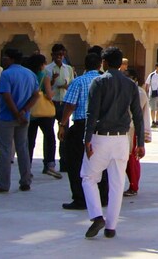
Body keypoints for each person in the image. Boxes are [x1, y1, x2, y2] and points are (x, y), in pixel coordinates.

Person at [81, 47, 144, 239]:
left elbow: (92, 113)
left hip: (101, 136)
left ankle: (96, 215)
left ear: (104, 63)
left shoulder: (99, 81)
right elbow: (138, 116)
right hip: (121, 139)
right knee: (117, 183)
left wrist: (87, 138)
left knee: (89, 177)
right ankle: (111, 227)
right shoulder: (130, 84)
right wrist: (140, 142)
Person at [59, 52, 107, 211]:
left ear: (85, 65)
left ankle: (80, 198)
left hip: (82, 125)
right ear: (100, 64)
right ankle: (103, 196)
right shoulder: (106, 81)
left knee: (76, 163)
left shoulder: (78, 82)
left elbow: (70, 105)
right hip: (102, 127)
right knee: (102, 162)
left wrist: (62, 124)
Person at [0, 48, 39, 194]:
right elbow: (36, 95)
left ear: (10, 59)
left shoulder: (7, 74)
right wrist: (24, 111)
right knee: (22, 149)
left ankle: (4, 183)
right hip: (24, 117)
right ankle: (25, 181)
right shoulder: (30, 74)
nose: (3, 60)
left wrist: (16, 113)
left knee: (5, 151)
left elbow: (7, 96)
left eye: (5, 58)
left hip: (7, 117)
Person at [25, 53, 61, 179]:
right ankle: (49, 165)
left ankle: (26, 168)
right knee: (49, 138)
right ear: (41, 64)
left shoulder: (27, 75)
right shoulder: (44, 75)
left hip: (30, 110)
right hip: (44, 112)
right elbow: (49, 95)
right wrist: (54, 90)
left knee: (29, 140)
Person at [123, 67, 151, 197]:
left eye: (127, 76)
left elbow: (136, 114)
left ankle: (133, 185)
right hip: (125, 129)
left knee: (132, 158)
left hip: (132, 129)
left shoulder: (138, 93)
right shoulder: (128, 90)